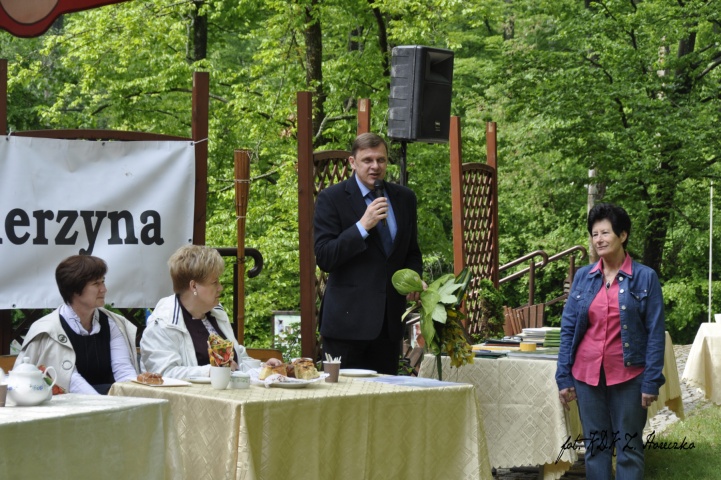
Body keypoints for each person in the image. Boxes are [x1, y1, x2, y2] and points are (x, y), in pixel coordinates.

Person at [556, 203, 666, 480]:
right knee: (596, 448)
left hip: (629, 377)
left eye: (605, 233)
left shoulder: (645, 277)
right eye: (594, 234)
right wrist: (564, 376)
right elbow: (568, 329)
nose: (599, 240)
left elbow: (655, 333)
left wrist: (651, 381)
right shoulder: (583, 277)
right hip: (586, 376)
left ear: (623, 235)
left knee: (629, 448)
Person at [314, 133, 423, 374]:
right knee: (343, 397)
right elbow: (325, 257)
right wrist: (362, 226)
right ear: (353, 162)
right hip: (346, 327)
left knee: (384, 396)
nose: (375, 166)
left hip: (388, 327)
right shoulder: (331, 198)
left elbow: (411, 252)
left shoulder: (404, 198)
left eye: (381, 160)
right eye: (368, 160)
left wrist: (414, 277)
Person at [140, 245, 279, 379]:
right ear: (194, 286)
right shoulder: (163, 323)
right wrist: (211, 371)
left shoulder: (216, 314)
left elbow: (236, 362)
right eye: (214, 282)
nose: (220, 287)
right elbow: (163, 373)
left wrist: (262, 368)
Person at [15, 255, 139, 395]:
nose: (103, 289)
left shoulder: (112, 323)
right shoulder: (50, 330)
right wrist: (102, 404)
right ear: (74, 289)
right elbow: (70, 381)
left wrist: (136, 396)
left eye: (103, 281)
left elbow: (123, 371)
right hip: (69, 405)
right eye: (96, 284)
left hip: (110, 399)